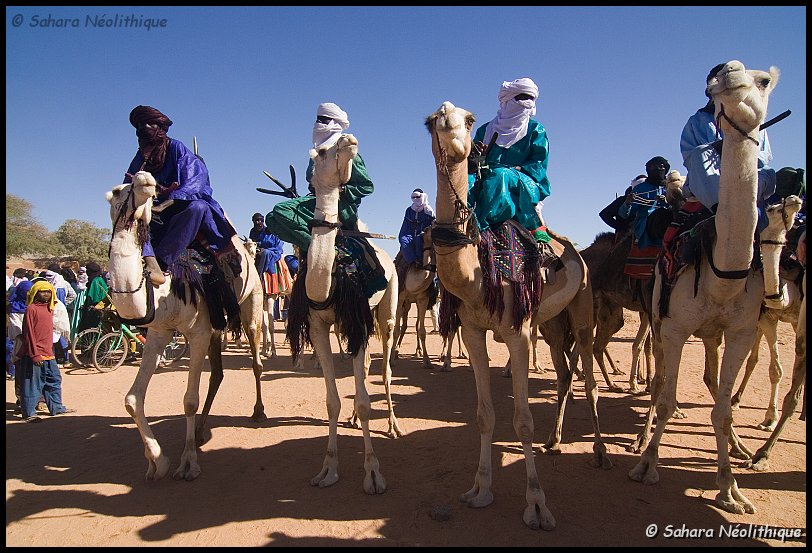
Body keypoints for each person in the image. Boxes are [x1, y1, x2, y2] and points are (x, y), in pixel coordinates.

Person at [123, 105, 241, 286]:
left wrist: (166, 202)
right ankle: (148, 258)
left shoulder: (176, 148)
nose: (142, 129)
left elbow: (196, 180)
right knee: (134, 214)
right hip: (153, 211)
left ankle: (162, 261)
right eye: (139, 126)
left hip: (181, 206)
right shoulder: (141, 157)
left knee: (199, 207)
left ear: (159, 128)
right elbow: (128, 183)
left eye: (147, 124)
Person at [264, 102, 375, 256]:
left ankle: (325, 251)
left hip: (340, 206)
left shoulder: (345, 152)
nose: (319, 124)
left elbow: (367, 186)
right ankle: (312, 248)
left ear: (335, 123)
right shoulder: (316, 151)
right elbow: (313, 181)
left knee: (281, 210)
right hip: (318, 201)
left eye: (324, 120)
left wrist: (340, 190)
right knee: (270, 219)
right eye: (318, 119)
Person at [679, 63, 776, 235]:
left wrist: (739, 148)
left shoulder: (754, 121)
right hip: (712, 178)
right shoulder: (696, 121)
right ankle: (721, 210)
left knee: (769, 173)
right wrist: (718, 149)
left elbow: (763, 156)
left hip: (746, 177)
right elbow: (691, 157)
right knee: (700, 153)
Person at [467, 77, 551, 242]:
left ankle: (480, 226)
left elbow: (539, 164)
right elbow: (472, 162)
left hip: (523, 180)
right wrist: (477, 159)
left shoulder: (535, 130)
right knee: (465, 182)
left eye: (530, 99)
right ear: (507, 100)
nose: (527, 103)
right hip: (485, 176)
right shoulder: (485, 130)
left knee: (500, 176)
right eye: (521, 98)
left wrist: (518, 169)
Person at [13, 280, 74, 422]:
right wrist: (35, 354)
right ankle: (29, 414)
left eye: (48, 292)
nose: (46, 294)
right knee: (33, 383)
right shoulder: (31, 309)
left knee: (54, 379)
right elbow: (29, 334)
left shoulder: (49, 309)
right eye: (43, 291)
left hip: (48, 352)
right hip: (34, 353)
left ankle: (56, 407)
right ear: (36, 293)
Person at [618, 157, 670, 250]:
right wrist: (628, 203)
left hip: (668, 220)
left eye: (661, 166)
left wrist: (666, 203)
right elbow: (624, 214)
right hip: (646, 224)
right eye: (654, 167)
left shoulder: (670, 188)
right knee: (660, 215)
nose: (658, 169)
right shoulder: (640, 189)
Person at [249, 212, 290, 315]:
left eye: (260, 220)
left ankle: (276, 283)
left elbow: (278, 246)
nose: (259, 222)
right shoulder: (253, 232)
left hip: (273, 254)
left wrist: (265, 250)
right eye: (256, 220)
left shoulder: (272, 231)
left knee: (267, 254)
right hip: (258, 255)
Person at [398, 188, 435, 268]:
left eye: (417, 197)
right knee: (403, 239)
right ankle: (413, 261)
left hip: (423, 234)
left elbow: (433, 224)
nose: (415, 199)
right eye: (413, 197)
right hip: (410, 234)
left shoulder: (428, 210)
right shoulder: (409, 210)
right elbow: (405, 226)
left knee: (419, 239)